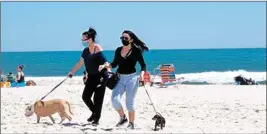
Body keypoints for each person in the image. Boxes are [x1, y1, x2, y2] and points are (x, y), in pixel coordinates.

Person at [99, 30, 149, 129]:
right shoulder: (118, 50)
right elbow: (114, 64)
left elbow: (143, 66)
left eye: (126, 38)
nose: (123, 40)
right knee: (115, 100)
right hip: (119, 77)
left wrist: (142, 75)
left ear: (131, 39)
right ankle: (123, 118)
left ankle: (131, 123)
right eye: (122, 38)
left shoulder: (136, 50)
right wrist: (105, 65)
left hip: (132, 78)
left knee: (129, 102)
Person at [68, 27, 108, 126]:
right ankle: (95, 113)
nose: (83, 40)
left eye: (84, 38)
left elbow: (105, 61)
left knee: (97, 99)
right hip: (91, 77)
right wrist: (72, 72)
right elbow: (80, 62)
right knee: (85, 96)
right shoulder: (85, 51)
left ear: (90, 39)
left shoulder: (97, 48)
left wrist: (106, 70)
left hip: (101, 76)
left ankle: (96, 119)